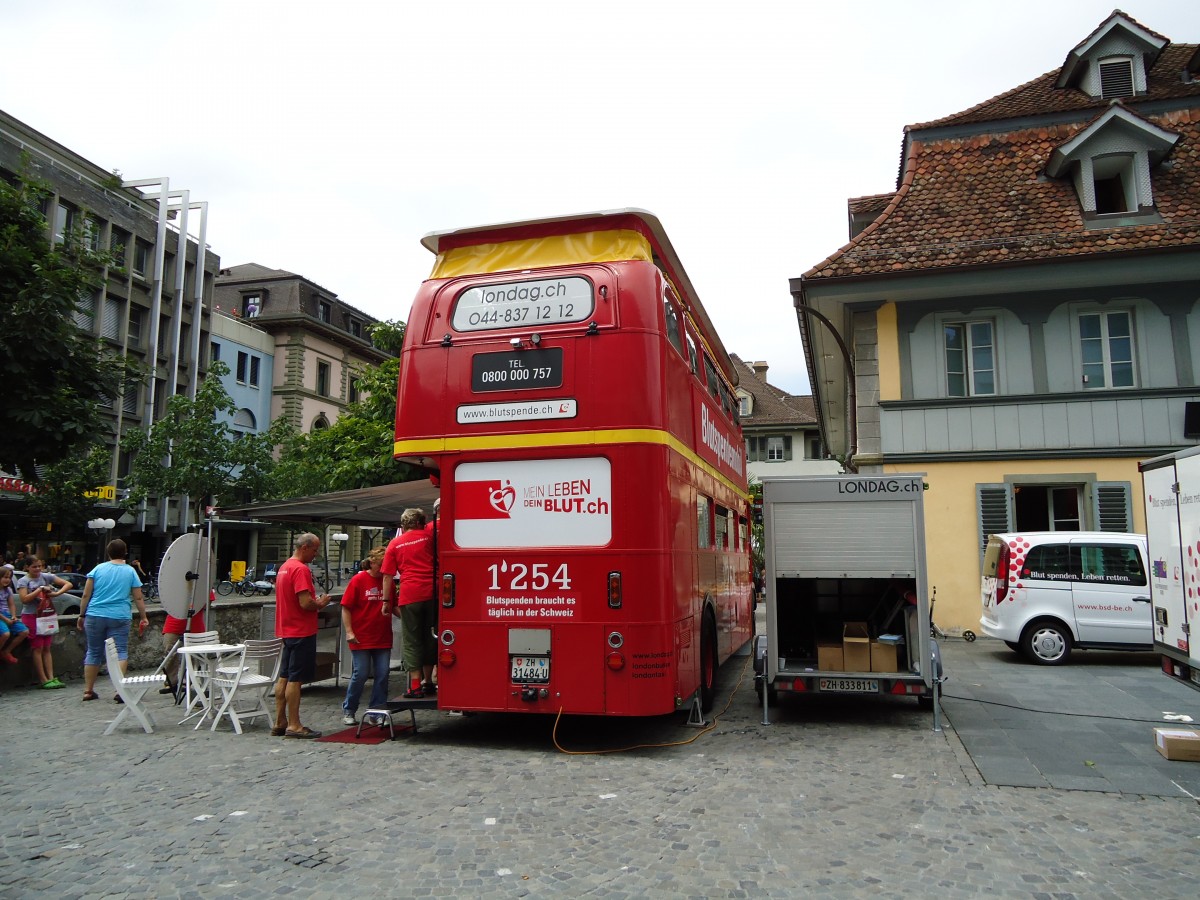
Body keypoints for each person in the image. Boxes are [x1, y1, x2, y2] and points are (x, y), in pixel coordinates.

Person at [273, 533, 332, 738]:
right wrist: (321, 603)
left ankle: (280, 720)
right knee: (295, 679)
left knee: (284, 676)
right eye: (314, 550)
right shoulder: (300, 569)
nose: (315, 554)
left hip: (286, 629)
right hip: (301, 629)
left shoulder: (284, 567)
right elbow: (305, 603)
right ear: (305, 547)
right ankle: (294, 724)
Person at [79, 539, 148, 702]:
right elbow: (138, 597)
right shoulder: (130, 571)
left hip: (95, 614)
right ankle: (119, 690)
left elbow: (86, 595)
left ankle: (88, 691)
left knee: (93, 651)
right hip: (119, 615)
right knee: (120, 651)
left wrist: (82, 615)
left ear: (108, 553)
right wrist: (144, 617)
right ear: (125, 553)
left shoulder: (98, 569)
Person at [381, 505, 438, 698]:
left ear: (403, 525)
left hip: (410, 594)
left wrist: (386, 601)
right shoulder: (430, 538)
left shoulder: (395, 544)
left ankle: (415, 685)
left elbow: (388, 576)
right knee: (431, 635)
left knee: (412, 640)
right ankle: (428, 681)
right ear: (421, 523)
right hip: (433, 592)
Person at [339, 547, 391, 726]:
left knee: (383, 673)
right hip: (361, 636)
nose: (382, 568)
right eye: (380, 564)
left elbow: (394, 606)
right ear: (372, 562)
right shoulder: (359, 580)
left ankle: (376, 711)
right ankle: (349, 708)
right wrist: (349, 631)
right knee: (360, 673)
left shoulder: (388, 582)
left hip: (382, 636)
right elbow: (346, 607)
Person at [16, 558, 71, 688]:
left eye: (40, 566)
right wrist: (39, 590)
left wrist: (55, 593)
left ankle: (51, 677)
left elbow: (67, 584)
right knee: (37, 647)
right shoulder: (23, 581)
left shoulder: (46, 577)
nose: (38, 569)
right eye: (34, 567)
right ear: (27, 567)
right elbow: (24, 599)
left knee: (47, 647)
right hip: (31, 615)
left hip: (45, 615)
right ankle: (43, 679)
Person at [0, 566, 30, 664]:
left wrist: (13, 616)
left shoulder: (8, 590)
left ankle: (7, 651)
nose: (7, 580)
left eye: (9, 577)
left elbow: (11, 604)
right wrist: (5, 619)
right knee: (5, 634)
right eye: (5, 577)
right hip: (1, 616)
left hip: (6, 614)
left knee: (24, 631)